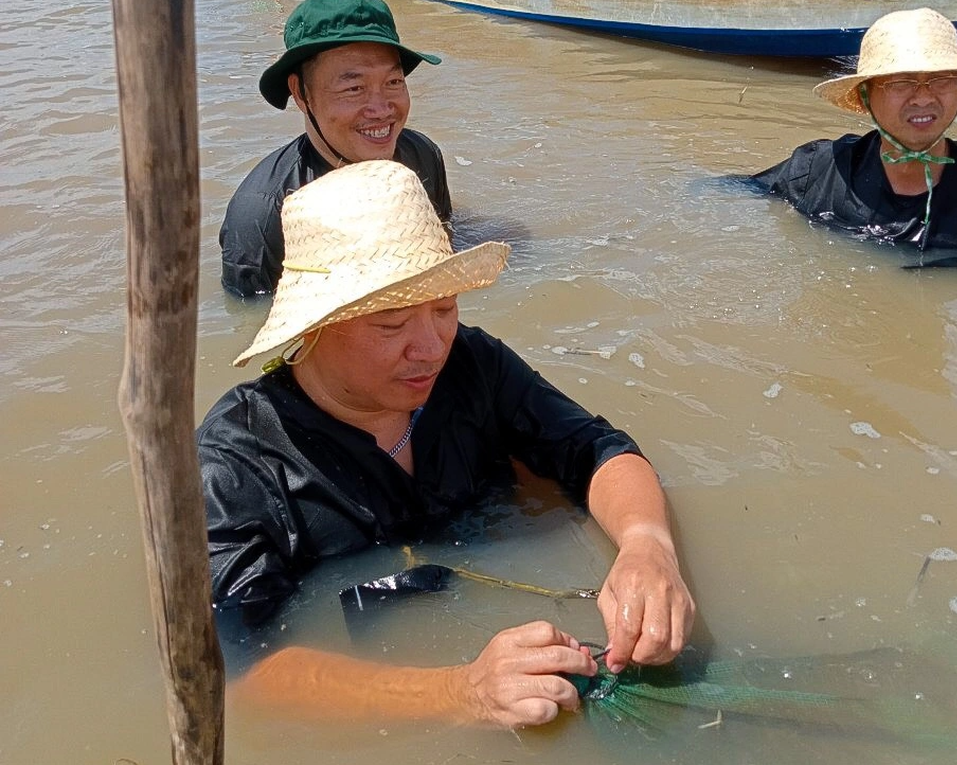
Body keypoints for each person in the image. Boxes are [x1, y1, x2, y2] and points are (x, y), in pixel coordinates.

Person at [198, 160, 696, 729]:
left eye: (445, 307)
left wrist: (647, 546)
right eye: (390, 323)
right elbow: (237, 672)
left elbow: (596, 451)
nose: (431, 347)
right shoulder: (235, 465)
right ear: (311, 327)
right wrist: (458, 694)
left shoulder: (472, 364)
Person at [750, 8, 957, 265]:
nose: (924, 97)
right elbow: (735, 194)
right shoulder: (816, 172)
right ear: (864, 95)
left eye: (942, 79)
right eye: (901, 82)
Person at [219, 0, 452, 297]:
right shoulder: (261, 216)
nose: (381, 110)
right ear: (301, 94)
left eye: (393, 81)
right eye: (354, 88)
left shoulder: (422, 156)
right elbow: (253, 324)